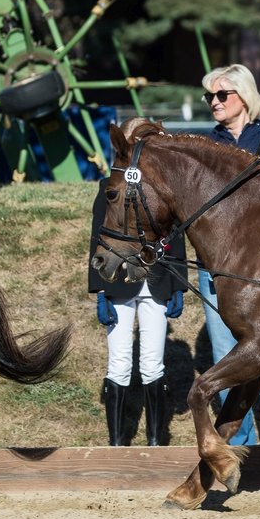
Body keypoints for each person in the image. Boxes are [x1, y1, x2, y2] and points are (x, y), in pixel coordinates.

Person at [198, 64, 260, 444]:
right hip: (216, 271)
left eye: (222, 94)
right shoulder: (208, 146)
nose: (214, 102)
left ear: (244, 97)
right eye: (209, 96)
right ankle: (237, 451)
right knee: (226, 360)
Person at [88, 182, 187, 446]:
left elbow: (175, 232)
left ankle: (156, 440)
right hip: (117, 283)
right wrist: (99, 290)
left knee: (152, 365)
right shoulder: (109, 187)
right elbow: (98, 235)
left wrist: (179, 285)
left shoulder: (161, 184)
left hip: (157, 282)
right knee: (118, 365)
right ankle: (117, 442)